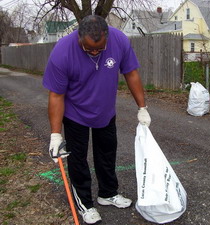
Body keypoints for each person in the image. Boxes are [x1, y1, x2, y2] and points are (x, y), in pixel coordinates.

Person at [43, 15, 151, 224]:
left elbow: (131, 74)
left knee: (107, 153)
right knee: (78, 159)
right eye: (88, 49)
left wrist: (142, 108)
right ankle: (85, 203)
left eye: (99, 49)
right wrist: (55, 135)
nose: (94, 52)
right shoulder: (63, 51)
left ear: (107, 37)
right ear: (79, 38)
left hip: (105, 111)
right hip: (76, 113)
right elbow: (56, 95)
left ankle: (108, 193)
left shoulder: (119, 40)